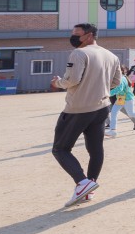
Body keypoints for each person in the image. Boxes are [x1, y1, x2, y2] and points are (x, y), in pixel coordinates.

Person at [50, 23, 121, 207]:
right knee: (95, 149)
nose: (73, 37)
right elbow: (116, 82)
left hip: (78, 108)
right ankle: (89, 186)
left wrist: (58, 82)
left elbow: (72, 80)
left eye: (77, 34)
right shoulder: (111, 56)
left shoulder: (79, 53)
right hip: (102, 106)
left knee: (60, 149)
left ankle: (82, 183)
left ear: (89, 35)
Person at [106, 65, 135, 137]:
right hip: (120, 98)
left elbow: (119, 89)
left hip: (127, 99)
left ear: (120, 71)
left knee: (131, 114)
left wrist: (108, 94)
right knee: (114, 113)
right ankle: (113, 131)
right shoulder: (119, 78)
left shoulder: (122, 79)